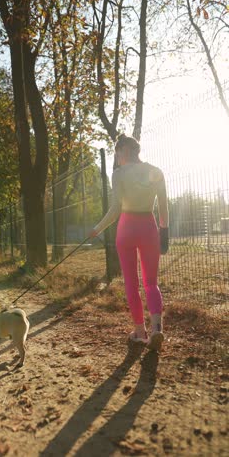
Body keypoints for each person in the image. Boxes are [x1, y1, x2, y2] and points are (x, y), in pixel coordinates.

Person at [89, 134, 169, 351]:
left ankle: (139, 331)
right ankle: (156, 329)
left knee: (131, 284)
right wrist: (165, 229)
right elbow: (163, 205)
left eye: (117, 153)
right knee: (151, 283)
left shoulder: (119, 174)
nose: (117, 158)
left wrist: (97, 229)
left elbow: (115, 209)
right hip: (149, 227)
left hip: (126, 229)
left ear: (123, 150)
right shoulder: (155, 171)